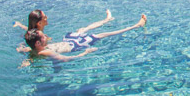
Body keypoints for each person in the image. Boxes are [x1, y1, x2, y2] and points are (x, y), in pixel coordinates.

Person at [16, 9, 146, 62]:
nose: (44, 37)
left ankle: (107, 20)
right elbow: (64, 59)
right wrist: (85, 53)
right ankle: (137, 25)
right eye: (45, 17)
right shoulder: (45, 52)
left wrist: (24, 55)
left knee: (82, 29)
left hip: (67, 41)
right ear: (38, 43)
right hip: (75, 46)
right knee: (101, 35)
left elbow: (28, 50)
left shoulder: (34, 44)